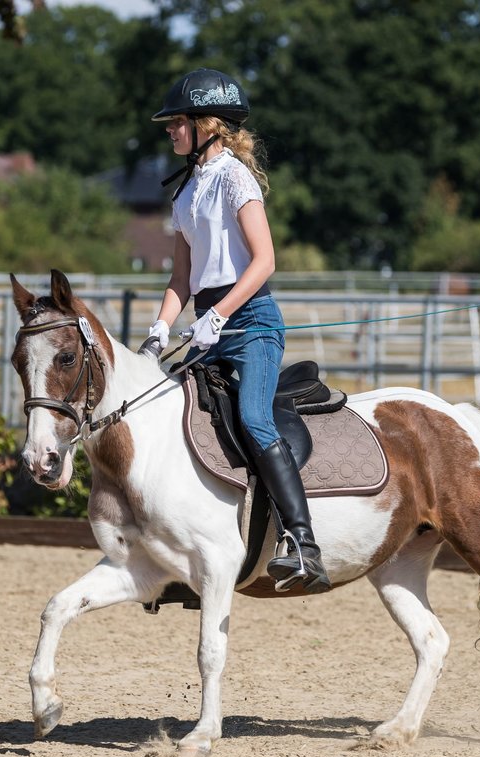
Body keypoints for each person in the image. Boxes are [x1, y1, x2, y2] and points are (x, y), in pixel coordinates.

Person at [144, 68, 330, 594]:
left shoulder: (234, 179)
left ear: (207, 125)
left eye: (176, 123)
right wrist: (160, 328)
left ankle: (302, 543)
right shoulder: (185, 194)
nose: (170, 132)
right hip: (206, 323)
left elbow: (265, 260)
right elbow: (181, 278)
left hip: (250, 325)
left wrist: (220, 314)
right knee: (177, 414)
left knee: (252, 417)